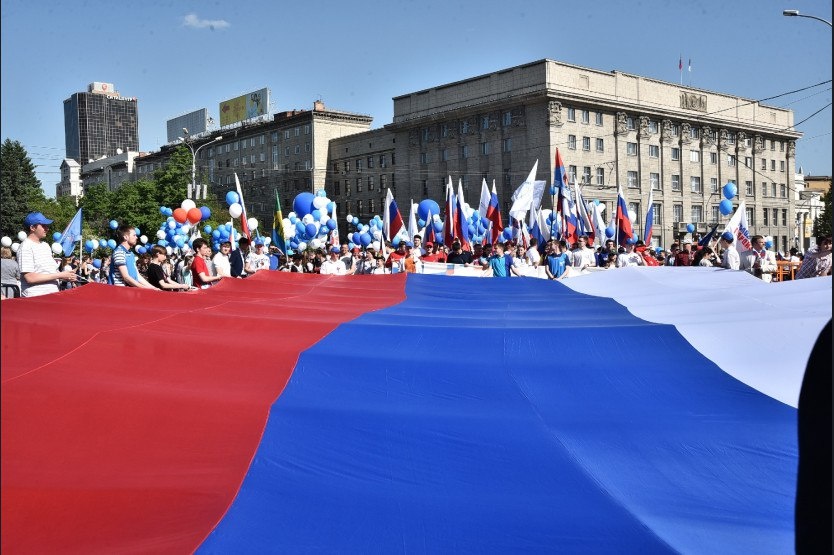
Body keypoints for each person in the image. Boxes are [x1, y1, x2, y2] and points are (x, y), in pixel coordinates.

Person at [16, 212, 77, 296]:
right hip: (35, 299)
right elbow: (30, 278)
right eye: (43, 225)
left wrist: (66, 276)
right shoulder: (25, 247)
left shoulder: (45, 245)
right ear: (32, 228)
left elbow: (50, 273)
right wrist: (60, 275)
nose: (47, 228)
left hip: (52, 296)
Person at [108, 224, 155, 289]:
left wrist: (153, 288)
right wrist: (146, 288)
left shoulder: (131, 254)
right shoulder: (119, 252)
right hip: (119, 292)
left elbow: (137, 276)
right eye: (134, 235)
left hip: (130, 291)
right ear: (125, 237)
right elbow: (126, 277)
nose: (136, 237)